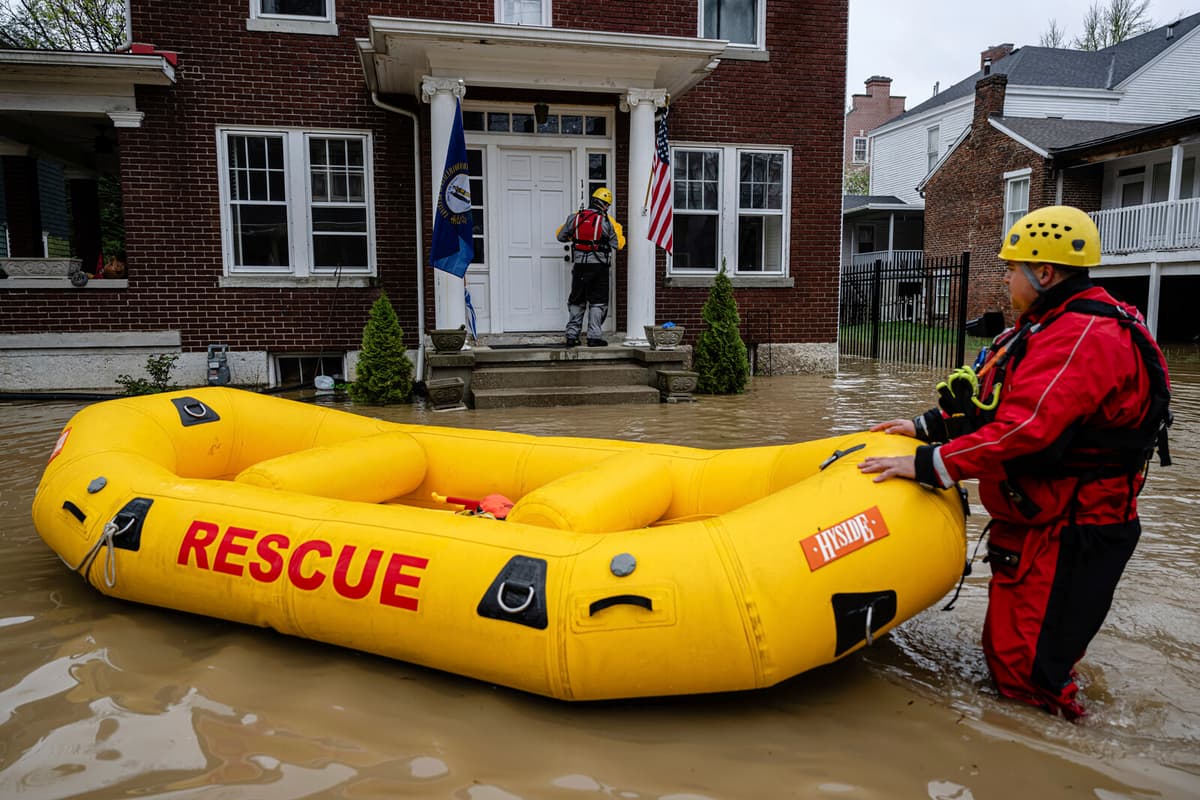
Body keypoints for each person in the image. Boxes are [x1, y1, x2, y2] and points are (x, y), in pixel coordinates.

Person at [857, 205, 1172, 720]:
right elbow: (992, 400)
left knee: (1027, 679)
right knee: (1010, 659)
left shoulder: (1083, 337)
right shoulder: (1045, 327)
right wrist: (924, 428)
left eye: (1010, 268)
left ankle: (1062, 760)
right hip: (1039, 522)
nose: (1004, 279)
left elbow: (1025, 431)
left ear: (1043, 273)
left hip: (1072, 528)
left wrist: (929, 464)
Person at [557, 187, 625, 347]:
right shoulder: (608, 221)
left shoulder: (575, 217)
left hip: (580, 266)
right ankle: (594, 337)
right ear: (606, 205)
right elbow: (619, 244)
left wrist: (576, 237)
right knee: (598, 302)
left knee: (576, 300)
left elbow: (560, 236)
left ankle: (572, 336)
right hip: (599, 268)